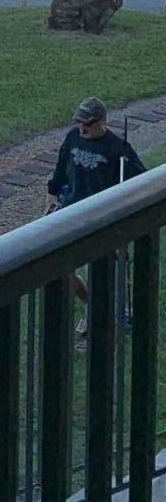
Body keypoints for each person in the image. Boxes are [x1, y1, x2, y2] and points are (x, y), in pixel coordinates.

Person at [46, 97, 145, 335]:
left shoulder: (118, 148)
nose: (83, 128)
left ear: (103, 121)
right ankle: (92, 306)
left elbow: (141, 179)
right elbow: (61, 169)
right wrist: (51, 194)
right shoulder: (72, 137)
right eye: (80, 122)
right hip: (70, 212)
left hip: (100, 219)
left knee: (99, 271)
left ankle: (97, 316)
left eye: (88, 124)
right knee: (62, 269)